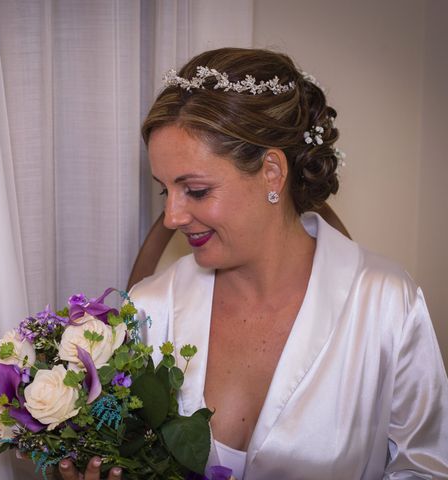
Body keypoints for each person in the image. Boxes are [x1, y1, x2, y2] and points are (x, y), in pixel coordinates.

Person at [59, 48, 448, 480]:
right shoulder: (151, 308)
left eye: (197, 190)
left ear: (271, 173)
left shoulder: (387, 304)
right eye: (164, 190)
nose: (172, 217)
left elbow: (425, 468)